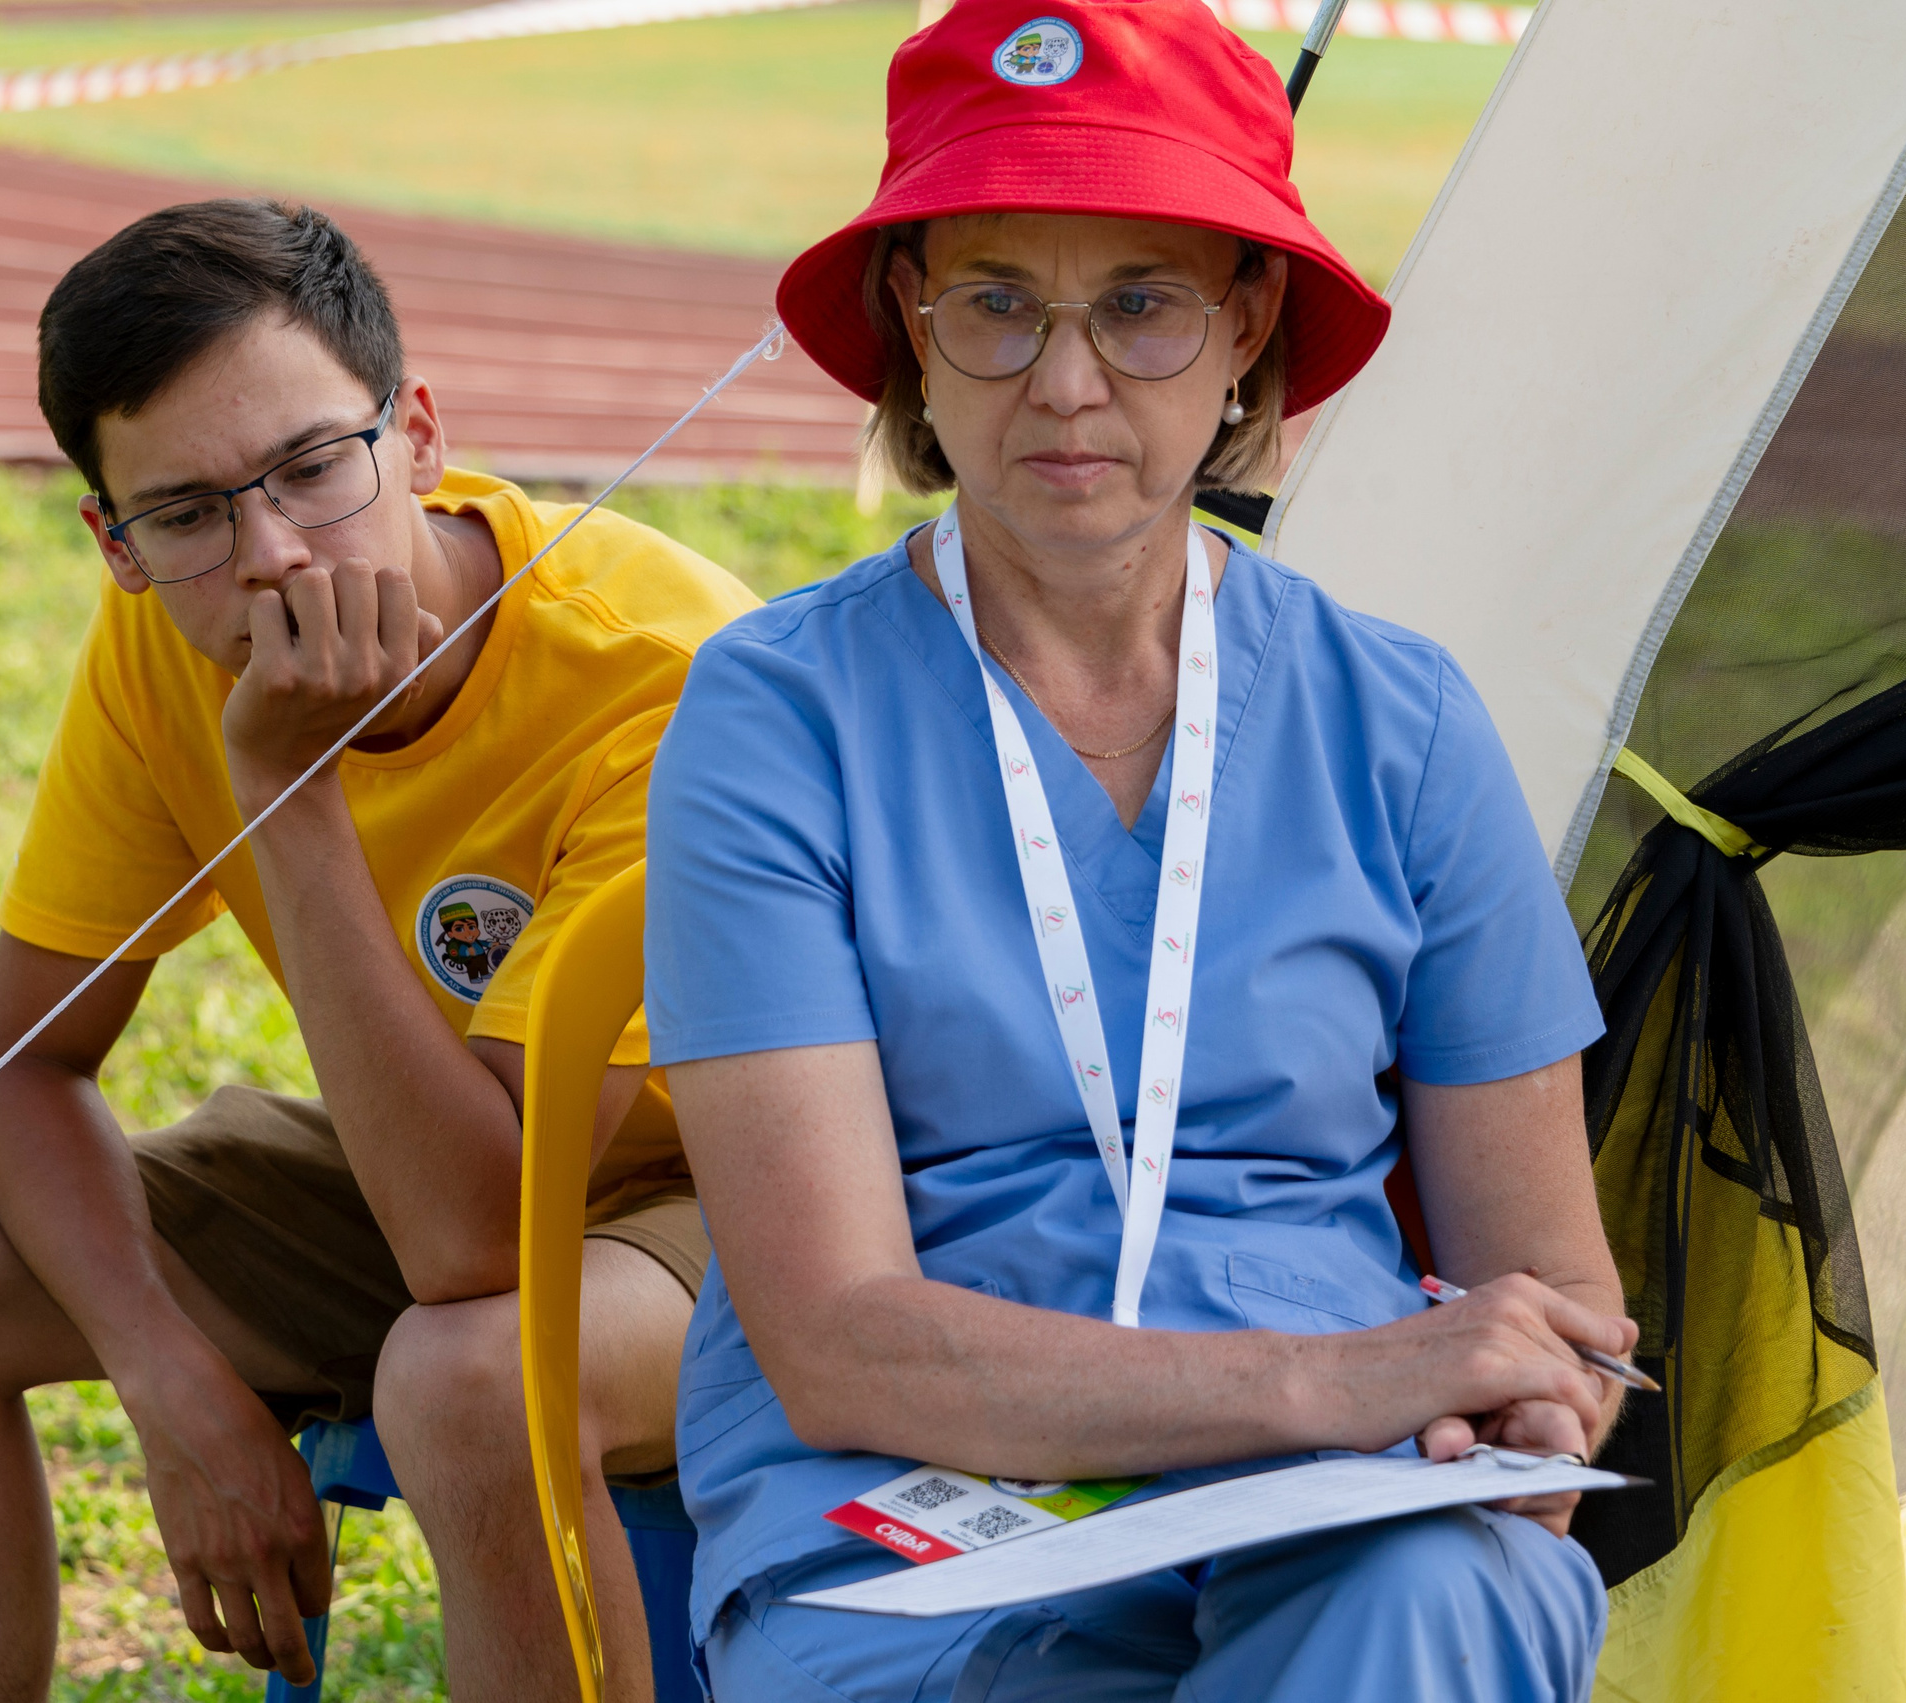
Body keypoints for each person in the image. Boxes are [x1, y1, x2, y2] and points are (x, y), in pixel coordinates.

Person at [642, 3, 1640, 1697]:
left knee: (1424, 1601)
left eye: (1142, 303)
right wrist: (1342, 1383)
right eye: (999, 302)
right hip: (902, 1529)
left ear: (1250, 323)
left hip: (1337, 1520)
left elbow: (1548, 1287)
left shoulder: (1397, 722)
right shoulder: (778, 713)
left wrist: (1532, 1391)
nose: (1067, 379)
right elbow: (835, 1346)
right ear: (914, 316)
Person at [0, 198, 757, 1702]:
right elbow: (13, 1063)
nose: (269, 557)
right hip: (460, 1160)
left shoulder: (666, 677)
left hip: (759, 1195)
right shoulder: (170, 640)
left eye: (316, 470)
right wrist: (170, 1380)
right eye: (185, 513)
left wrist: (290, 796)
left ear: (421, 435)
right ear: (113, 544)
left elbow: (472, 1248)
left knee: (468, 1383)